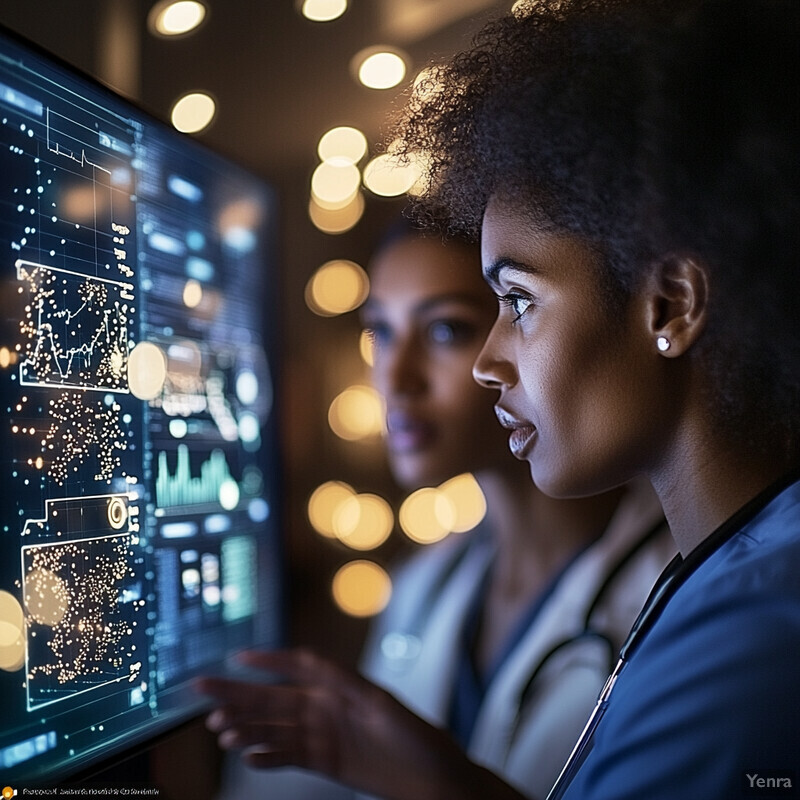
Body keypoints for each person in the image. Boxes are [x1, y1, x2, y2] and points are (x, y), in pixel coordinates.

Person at [197, 0, 800, 797]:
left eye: (514, 303)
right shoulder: (723, 579)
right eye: (380, 333)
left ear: (671, 307)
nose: (487, 363)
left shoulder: (748, 638)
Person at [214, 220, 673, 799]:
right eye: (380, 331)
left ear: (522, 328)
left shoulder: (679, 592)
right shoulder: (422, 585)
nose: (396, 378)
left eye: (446, 330)